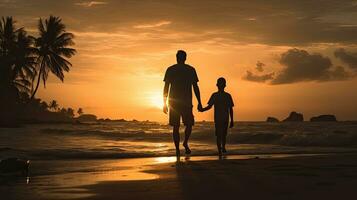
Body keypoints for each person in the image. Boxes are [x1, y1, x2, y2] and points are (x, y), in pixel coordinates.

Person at [163, 50, 202, 157]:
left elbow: (166, 88)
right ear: (185, 58)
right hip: (185, 102)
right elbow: (196, 87)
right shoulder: (190, 70)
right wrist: (199, 102)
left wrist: (164, 103)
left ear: (177, 57)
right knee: (188, 125)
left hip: (175, 103)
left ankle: (178, 148)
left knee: (177, 126)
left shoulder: (171, 69)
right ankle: (182, 144)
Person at [199, 77, 234, 155]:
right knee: (222, 135)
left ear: (217, 85)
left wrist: (202, 110)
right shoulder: (224, 95)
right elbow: (230, 109)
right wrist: (232, 120)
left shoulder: (218, 95)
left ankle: (221, 149)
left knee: (220, 135)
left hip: (221, 118)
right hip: (222, 118)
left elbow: (210, 106)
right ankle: (221, 149)